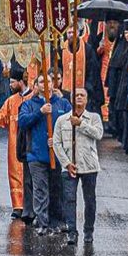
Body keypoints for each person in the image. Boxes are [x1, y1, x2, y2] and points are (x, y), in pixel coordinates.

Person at [51, 85, 103, 246]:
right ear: (71, 99)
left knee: (90, 200)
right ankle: (72, 231)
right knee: (69, 199)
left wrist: (81, 124)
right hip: (70, 166)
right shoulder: (62, 120)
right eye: (76, 95)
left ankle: (89, 230)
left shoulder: (94, 118)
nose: (79, 98)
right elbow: (56, 143)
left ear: (86, 99)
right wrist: (66, 163)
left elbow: (98, 134)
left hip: (89, 166)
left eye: (82, 95)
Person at [18, 75, 70, 235]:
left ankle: (58, 221)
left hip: (57, 155)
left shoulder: (62, 103)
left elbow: (70, 124)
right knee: (40, 190)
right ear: (35, 86)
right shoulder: (28, 104)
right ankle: (42, 222)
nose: (45, 84)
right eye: (41, 81)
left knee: (57, 190)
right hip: (36, 155)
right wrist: (40, 112)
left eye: (48, 81)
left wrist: (58, 140)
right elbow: (23, 122)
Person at [0, 66, 32, 220]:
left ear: (21, 82)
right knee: (15, 171)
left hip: (31, 142)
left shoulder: (34, 98)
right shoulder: (11, 101)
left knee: (31, 174)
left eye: (12, 82)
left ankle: (31, 206)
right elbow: (2, 118)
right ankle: (18, 206)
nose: (9, 85)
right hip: (14, 142)